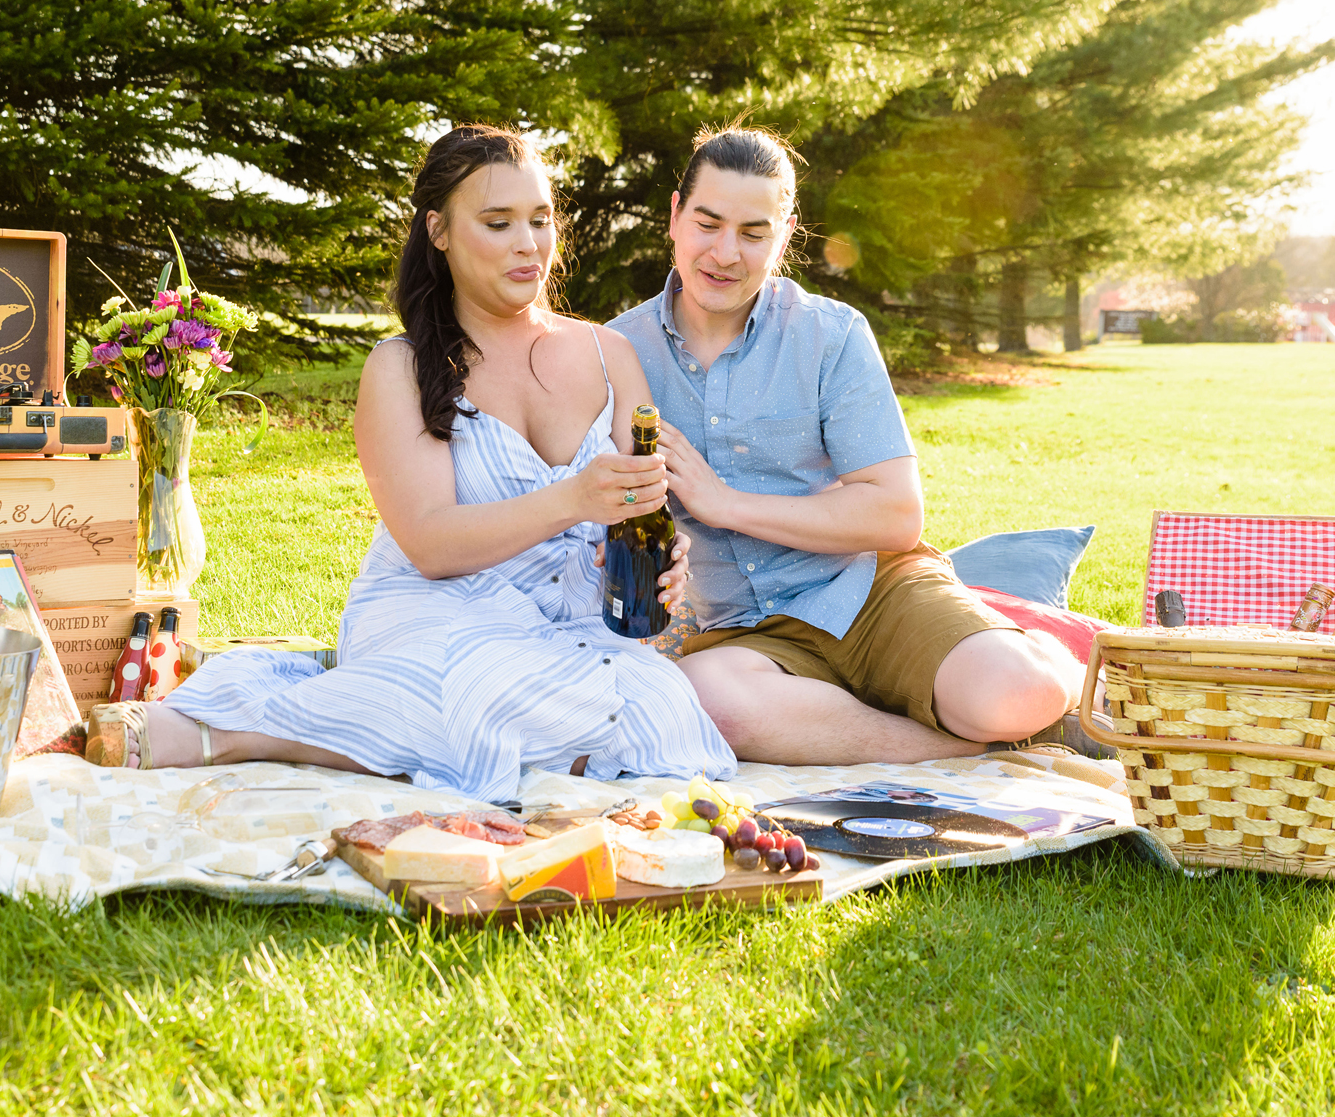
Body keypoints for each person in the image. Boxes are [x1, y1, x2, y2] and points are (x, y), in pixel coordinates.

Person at [84, 125, 737, 800]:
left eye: (541, 220)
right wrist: (573, 499)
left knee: (663, 709)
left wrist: (657, 553)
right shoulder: (402, 366)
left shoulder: (610, 355)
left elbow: (636, 511)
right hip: (438, 608)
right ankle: (230, 731)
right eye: (498, 222)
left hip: (569, 625)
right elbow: (429, 542)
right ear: (440, 230)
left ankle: (379, 715)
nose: (528, 243)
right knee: (479, 688)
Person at [605, 124, 1091, 766]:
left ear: (786, 232)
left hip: (867, 591)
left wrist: (722, 503)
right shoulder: (617, 351)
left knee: (1016, 691)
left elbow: (895, 514)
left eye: (754, 233)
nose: (725, 253)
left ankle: (1039, 669)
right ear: (675, 215)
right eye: (708, 223)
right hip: (737, 636)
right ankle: (966, 750)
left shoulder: (831, 334)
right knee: (708, 703)